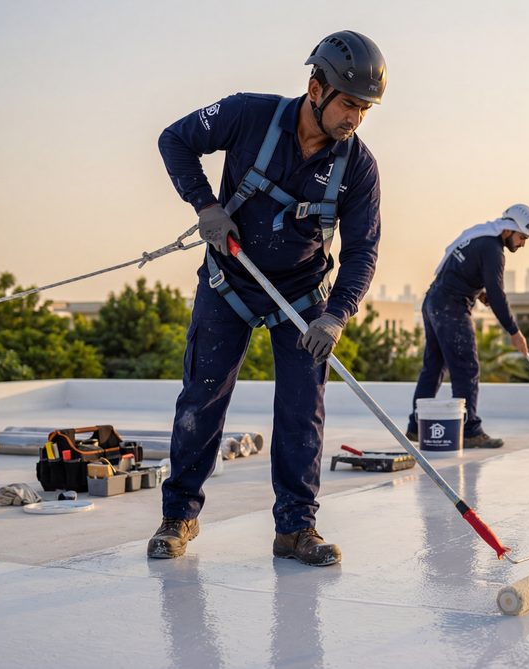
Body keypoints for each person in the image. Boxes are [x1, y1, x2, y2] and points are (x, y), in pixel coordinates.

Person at [146, 31, 386, 566]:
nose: (355, 119)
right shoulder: (248, 116)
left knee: (303, 412)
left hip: (300, 299)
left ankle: (296, 529)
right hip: (228, 283)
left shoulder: (358, 167)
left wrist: (336, 316)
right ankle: (177, 516)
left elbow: (363, 251)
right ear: (315, 87)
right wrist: (206, 206)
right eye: (349, 103)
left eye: (365, 109)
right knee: (201, 399)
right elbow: (173, 139)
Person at [405, 205, 529, 449]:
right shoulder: (493, 249)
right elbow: (498, 295)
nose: (522, 244)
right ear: (510, 230)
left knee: (433, 367)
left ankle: (416, 427)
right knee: (467, 368)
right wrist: (514, 331)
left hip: (433, 301)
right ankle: (470, 429)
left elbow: (460, 271)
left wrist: (478, 293)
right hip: (450, 308)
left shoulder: (480, 236)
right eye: (522, 237)